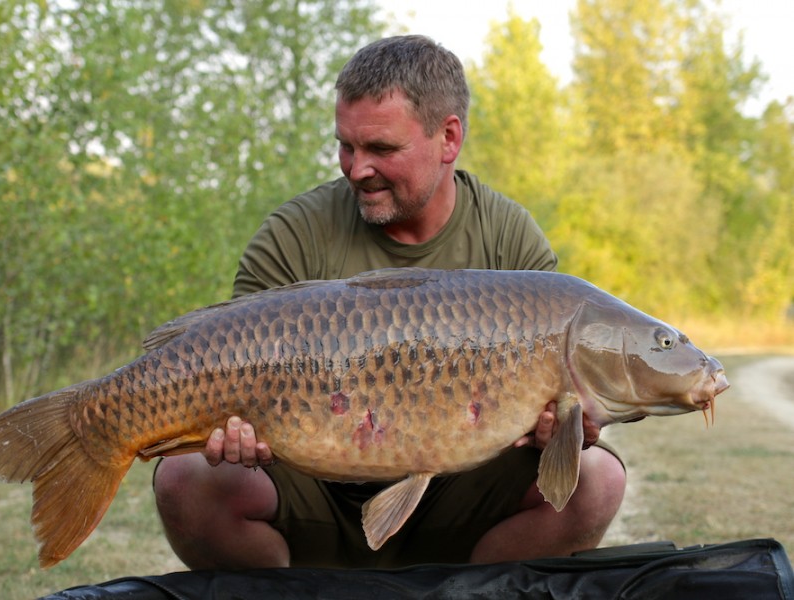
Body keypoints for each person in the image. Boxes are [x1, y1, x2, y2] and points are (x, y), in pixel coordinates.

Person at [153, 35, 626, 570]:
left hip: (459, 499)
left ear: (448, 137)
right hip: (315, 493)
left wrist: (568, 425)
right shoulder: (294, 234)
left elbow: (559, 411)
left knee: (598, 480)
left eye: (381, 149)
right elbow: (232, 368)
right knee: (185, 479)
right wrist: (232, 432)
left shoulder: (508, 239)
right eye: (346, 146)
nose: (356, 169)